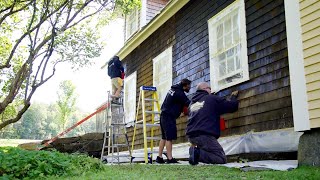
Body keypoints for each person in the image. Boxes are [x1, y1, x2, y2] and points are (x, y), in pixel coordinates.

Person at [186, 82, 239, 165]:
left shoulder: (191, 104)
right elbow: (232, 106)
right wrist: (233, 97)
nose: (211, 90)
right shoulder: (212, 98)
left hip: (191, 136)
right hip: (204, 135)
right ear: (205, 89)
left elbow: (204, 110)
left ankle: (195, 151)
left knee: (208, 150)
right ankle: (197, 153)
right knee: (220, 158)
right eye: (209, 88)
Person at [156, 79, 191, 164]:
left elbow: (177, 102)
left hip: (163, 115)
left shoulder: (173, 89)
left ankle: (159, 157)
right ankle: (170, 158)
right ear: (185, 85)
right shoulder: (180, 93)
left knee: (164, 137)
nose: (189, 88)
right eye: (189, 86)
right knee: (169, 138)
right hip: (169, 116)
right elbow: (189, 103)